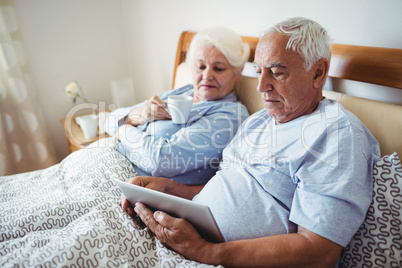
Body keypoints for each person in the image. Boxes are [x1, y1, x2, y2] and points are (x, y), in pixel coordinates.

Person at [122, 17, 380, 267]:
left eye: (277, 72)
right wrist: (167, 190)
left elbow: (319, 251)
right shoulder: (259, 121)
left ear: (318, 73)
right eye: (258, 71)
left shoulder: (334, 134)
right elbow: (222, 190)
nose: (260, 86)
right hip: (192, 243)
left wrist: (208, 252)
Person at [105, 27, 250, 185]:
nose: (207, 76)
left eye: (219, 68)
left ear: (238, 73)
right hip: (105, 165)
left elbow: (163, 161)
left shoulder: (231, 114)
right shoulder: (184, 92)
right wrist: (140, 116)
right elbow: (109, 120)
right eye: (200, 67)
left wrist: (124, 130)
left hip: (129, 185)